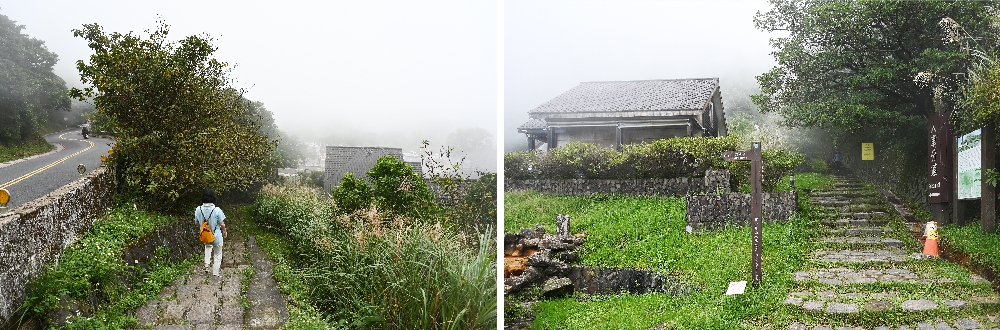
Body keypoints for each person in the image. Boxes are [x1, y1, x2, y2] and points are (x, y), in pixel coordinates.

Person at [195, 189, 227, 276]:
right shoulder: (217, 210)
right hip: (216, 237)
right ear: (213, 198)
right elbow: (222, 224)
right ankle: (216, 273)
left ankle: (206, 264)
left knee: (208, 247)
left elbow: (196, 223)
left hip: (206, 236)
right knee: (217, 254)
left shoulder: (198, 209)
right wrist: (224, 231)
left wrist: (203, 225)